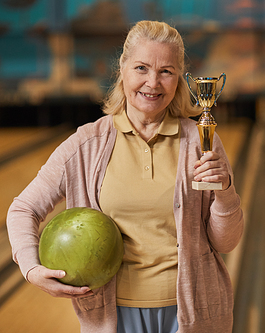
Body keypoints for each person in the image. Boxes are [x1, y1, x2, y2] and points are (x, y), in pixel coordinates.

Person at [7, 20, 244, 333]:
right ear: (123, 67)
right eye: (142, 68)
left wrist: (225, 190)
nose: (153, 83)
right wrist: (30, 267)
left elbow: (226, 243)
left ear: (180, 78)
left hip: (193, 314)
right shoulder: (86, 144)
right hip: (114, 318)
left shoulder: (199, 141)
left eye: (166, 71)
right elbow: (24, 208)